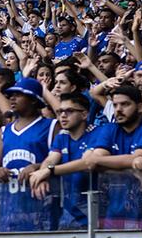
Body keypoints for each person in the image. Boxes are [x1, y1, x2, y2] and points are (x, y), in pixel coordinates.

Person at [84, 85, 142, 228]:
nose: (118, 109)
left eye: (125, 104)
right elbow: (92, 164)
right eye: (115, 105)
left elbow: (137, 159)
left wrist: (96, 159)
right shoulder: (109, 128)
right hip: (114, 210)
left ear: (139, 107)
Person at [0, 77, 56, 232]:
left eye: (18, 95)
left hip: (41, 207)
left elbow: (63, 161)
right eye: (11, 95)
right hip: (10, 208)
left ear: (33, 99)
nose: (12, 98)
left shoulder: (51, 126)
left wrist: (37, 167)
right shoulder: (7, 130)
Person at [29, 93, 96, 229]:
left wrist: (48, 171)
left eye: (69, 111)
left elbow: (87, 162)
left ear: (84, 114)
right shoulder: (62, 137)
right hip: (68, 207)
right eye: (60, 112)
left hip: (92, 204)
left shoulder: (97, 133)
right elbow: (51, 159)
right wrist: (41, 176)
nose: (63, 116)